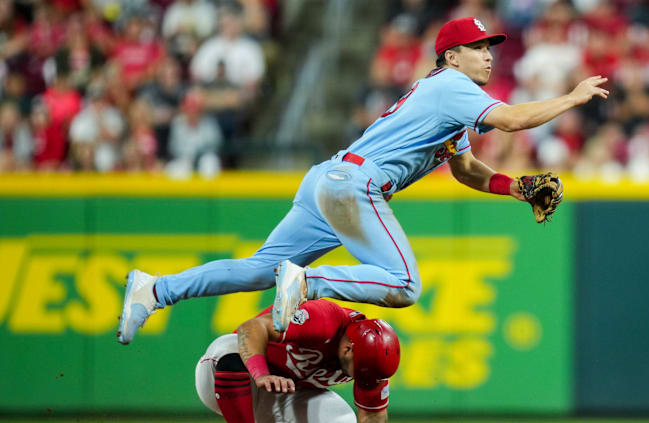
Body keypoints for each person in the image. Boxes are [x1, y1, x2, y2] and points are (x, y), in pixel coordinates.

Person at [117, 16, 608, 344]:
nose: (487, 55)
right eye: (476, 47)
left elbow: (466, 170)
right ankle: (306, 281)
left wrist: (518, 188)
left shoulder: (449, 101)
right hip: (353, 185)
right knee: (406, 283)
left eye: (489, 47)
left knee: (258, 270)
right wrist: (572, 97)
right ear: (450, 57)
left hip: (328, 183)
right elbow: (515, 120)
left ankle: (154, 290)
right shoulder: (452, 87)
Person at [194, 299, 399, 423]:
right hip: (229, 381)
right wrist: (261, 373)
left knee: (342, 419)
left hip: (280, 397)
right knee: (228, 352)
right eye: (363, 371)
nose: (366, 379)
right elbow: (250, 328)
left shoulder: (372, 363)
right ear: (347, 348)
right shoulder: (324, 320)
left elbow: (373, 417)